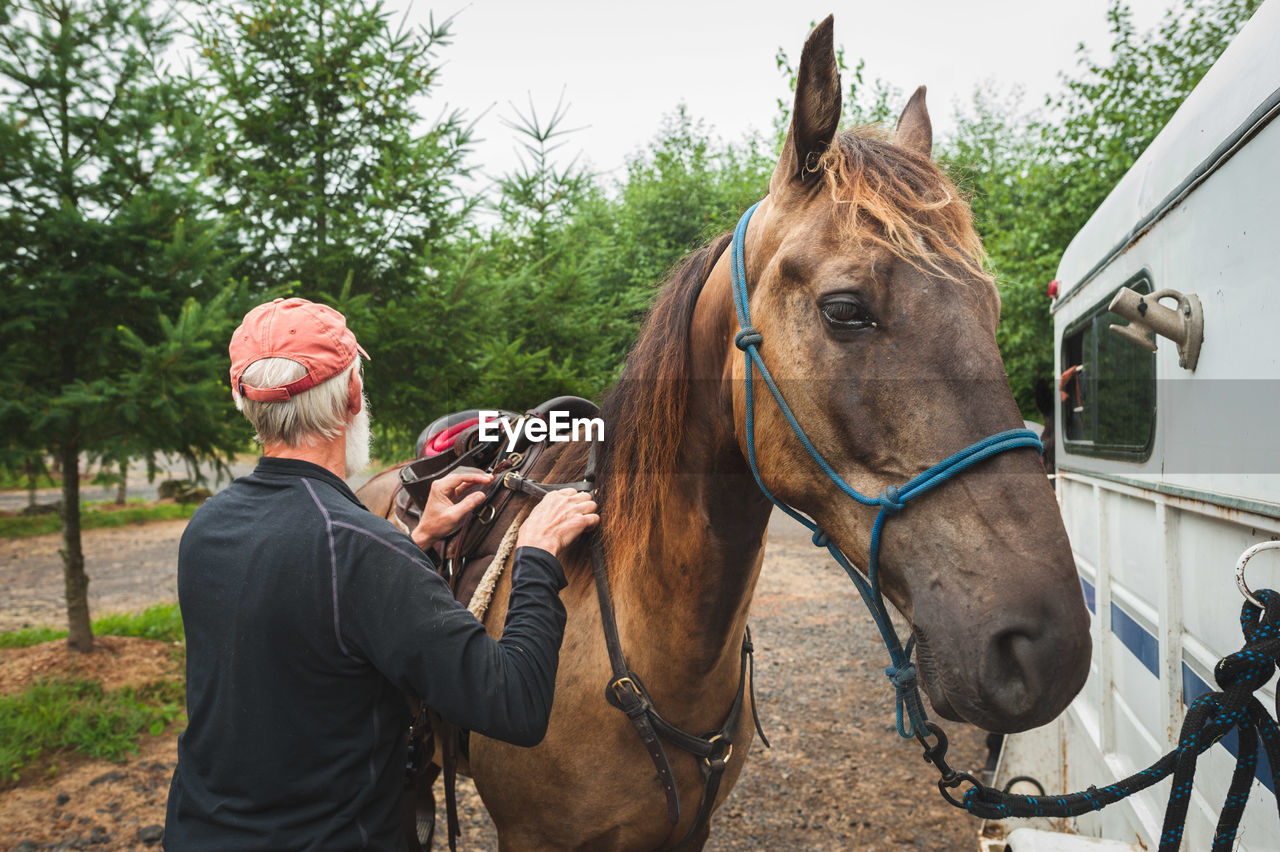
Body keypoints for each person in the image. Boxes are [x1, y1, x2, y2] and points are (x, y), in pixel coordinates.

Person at [164, 297, 597, 850]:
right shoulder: (362, 551)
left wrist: (412, 541)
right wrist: (536, 552)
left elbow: (312, 621)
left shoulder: (208, 527)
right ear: (352, 397)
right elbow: (516, 705)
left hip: (199, 832)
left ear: (243, 399)